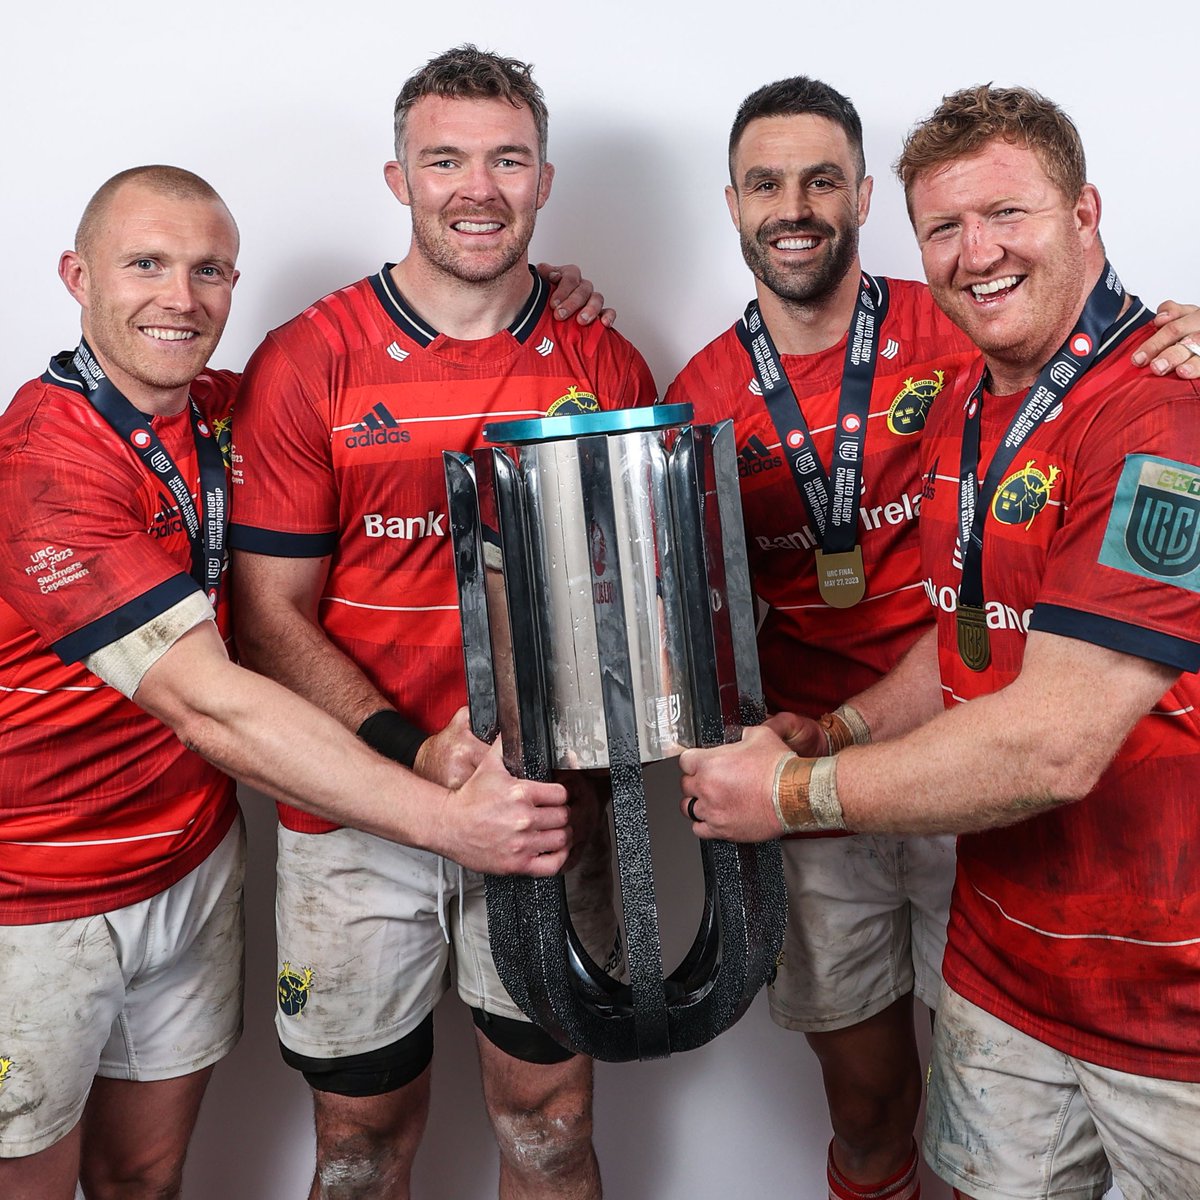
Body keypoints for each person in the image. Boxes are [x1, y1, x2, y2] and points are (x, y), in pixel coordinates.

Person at [0, 166, 602, 1200]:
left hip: (188, 865)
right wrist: (444, 815)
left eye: (209, 271)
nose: (179, 300)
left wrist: (505, 293)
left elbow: (362, 393)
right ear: (75, 275)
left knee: (141, 1177)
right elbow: (210, 699)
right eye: (145, 264)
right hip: (36, 894)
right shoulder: (45, 465)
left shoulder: (220, 411)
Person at [665, 77, 1200, 1200]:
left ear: (1087, 213)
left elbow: (1054, 744)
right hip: (1007, 964)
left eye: (1008, 214)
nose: (978, 252)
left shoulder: (1167, 414)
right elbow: (962, 639)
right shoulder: (974, 402)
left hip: (1171, 1003)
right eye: (947, 227)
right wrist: (838, 732)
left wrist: (793, 796)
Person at [229, 46, 656, 1200]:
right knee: (358, 1147)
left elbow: (640, 605)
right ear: (397, 176)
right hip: (352, 818)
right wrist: (416, 754)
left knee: (550, 1130)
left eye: (507, 158)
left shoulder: (604, 362)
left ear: (545, 180)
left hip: (541, 809)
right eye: (446, 159)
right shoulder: (307, 361)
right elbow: (267, 618)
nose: (478, 186)